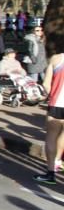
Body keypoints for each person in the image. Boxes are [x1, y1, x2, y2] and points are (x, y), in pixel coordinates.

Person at [34, 49, 64, 184]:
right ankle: (58, 161)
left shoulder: (56, 59)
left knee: (51, 137)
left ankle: (51, 173)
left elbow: (46, 85)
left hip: (57, 103)